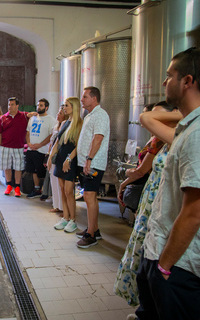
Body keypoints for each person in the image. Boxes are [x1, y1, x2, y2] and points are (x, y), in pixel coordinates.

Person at [133, 48, 200, 320]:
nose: (165, 83)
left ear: (188, 81)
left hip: (178, 264)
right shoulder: (192, 126)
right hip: (160, 251)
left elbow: (194, 211)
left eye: (169, 76)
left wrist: (164, 265)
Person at [114, 102, 180, 307]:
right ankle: (143, 304)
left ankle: (150, 306)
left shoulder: (179, 140)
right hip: (150, 201)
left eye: (162, 117)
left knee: (156, 260)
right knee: (142, 254)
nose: (155, 121)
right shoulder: (159, 141)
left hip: (165, 206)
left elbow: (142, 170)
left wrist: (125, 180)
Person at [117, 102, 176, 212]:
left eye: (158, 115)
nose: (154, 119)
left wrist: (127, 175)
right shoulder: (156, 139)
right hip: (151, 188)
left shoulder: (163, 139)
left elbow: (140, 172)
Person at [75, 86, 110, 248]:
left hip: (94, 163)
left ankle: (91, 236)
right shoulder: (90, 115)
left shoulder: (101, 115)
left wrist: (89, 159)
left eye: (85, 97)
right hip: (87, 162)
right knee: (90, 196)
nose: (82, 100)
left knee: (89, 196)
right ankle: (93, 229)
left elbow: (98, 138)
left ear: (94, 98)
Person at [48, 97, 83, 233]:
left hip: (70, 161)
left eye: (66, 105)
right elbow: (58, 142)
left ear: (74, 107)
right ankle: (66, 218)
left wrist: (68, 160)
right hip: (60, 159)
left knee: (69, 191)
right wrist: (51, 156)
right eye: (64, 105)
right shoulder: (65, 123)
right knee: (62, 189)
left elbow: (78, 146)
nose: (64, 107)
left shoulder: (80, 123)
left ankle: (73, 220)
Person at [0, 97, 30, 197]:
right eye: (9, 104)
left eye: (12, 104)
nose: (10, 107)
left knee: (18, 168)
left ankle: (17, 187)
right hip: (5, 147)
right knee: (6, 167)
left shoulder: (24, 116)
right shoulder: (3, 118)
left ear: (17, 105)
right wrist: (0, 146)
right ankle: (9, 185)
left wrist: (34, 113)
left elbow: (33, 115)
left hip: (19, 147)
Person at [25, 98, 57, 198]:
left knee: (41, 172)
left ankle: (45, 191)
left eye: (41, 105)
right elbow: (28, 132)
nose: (39, 107)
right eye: (38, 105)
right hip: (31, 149)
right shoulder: (33, 118)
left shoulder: (51, 120)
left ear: (46, 107)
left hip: (42, 150)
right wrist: (29, 143)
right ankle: (37, 189)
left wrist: (40, 145)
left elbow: (51, 135)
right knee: (34, 171)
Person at [48, 106, 69, 213]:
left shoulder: (66, 125)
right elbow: (52, 143)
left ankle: (63, 208)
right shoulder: (56, 126)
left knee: (61, 184)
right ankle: (56, 205)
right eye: (58, 112)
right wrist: (49, 155)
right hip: (53, 155)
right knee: (54, 181)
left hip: (60, 156)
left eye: (61, 113)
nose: (58, 115)